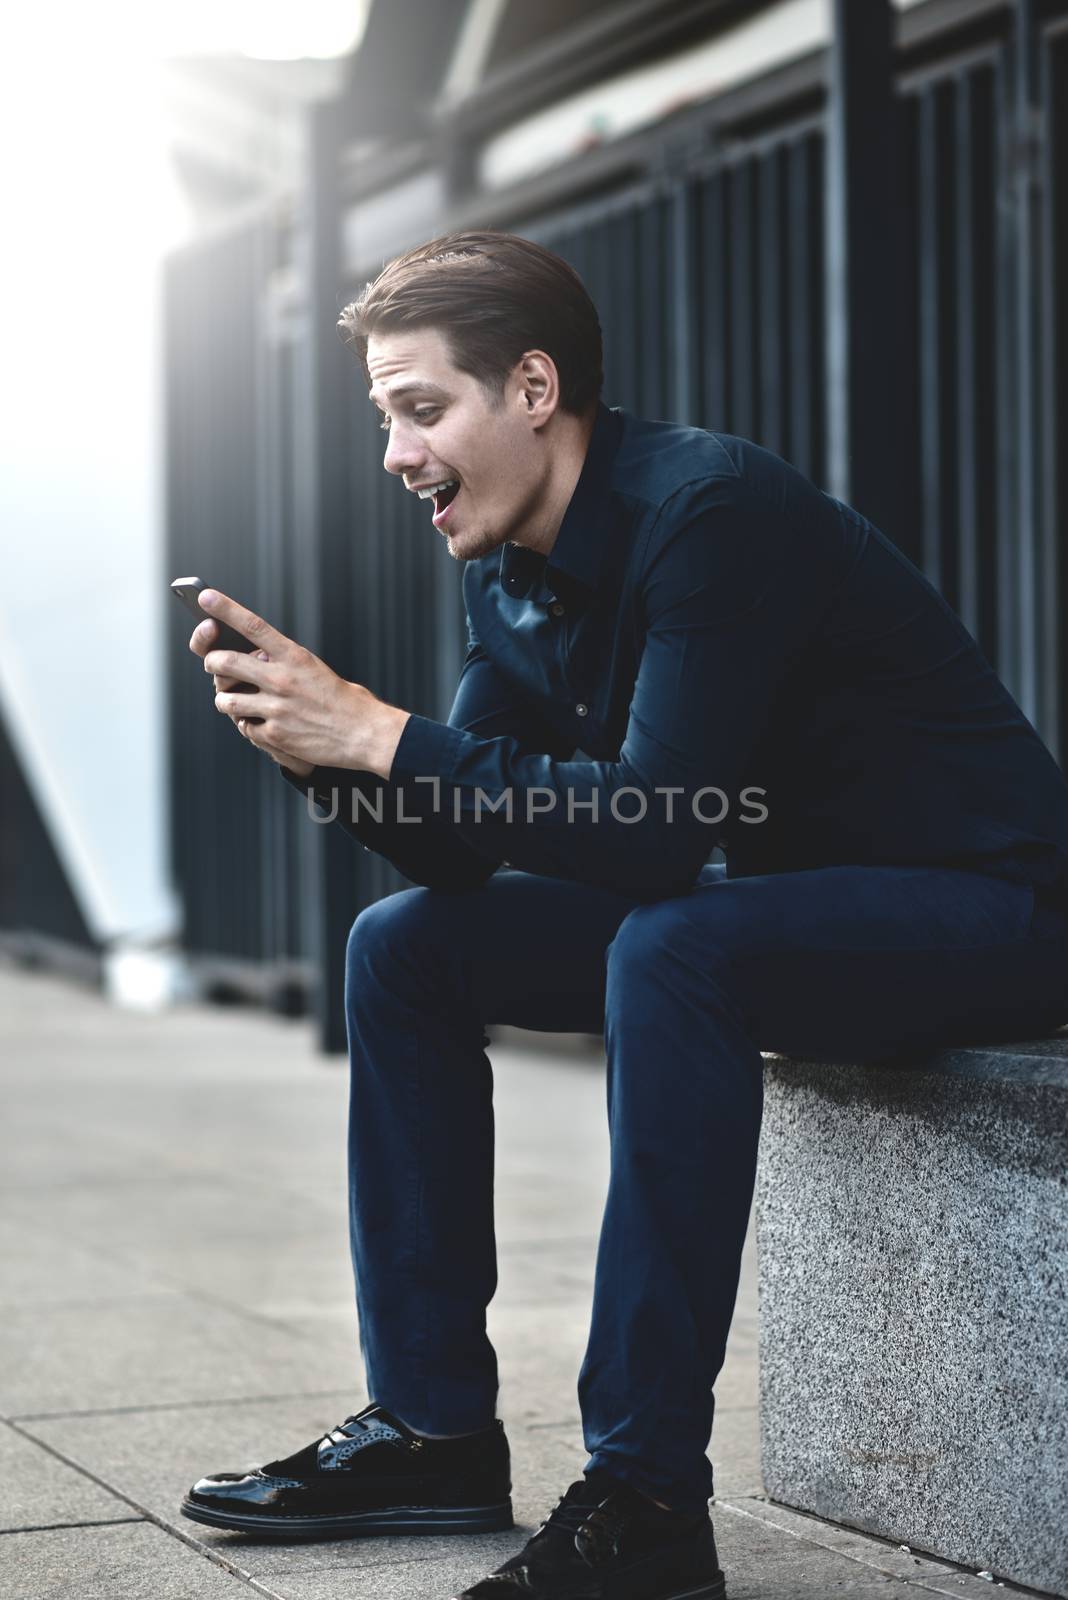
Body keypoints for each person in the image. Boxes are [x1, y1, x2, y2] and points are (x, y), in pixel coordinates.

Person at [179, 231, 1068, 1600]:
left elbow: (655, 831)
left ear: (532, 386)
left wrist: (386, 733)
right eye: (386, 418)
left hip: (990, 906)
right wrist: (323, 747)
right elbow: (464, 857)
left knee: (676, 946)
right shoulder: (505, 563)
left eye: (423, 410)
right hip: (784, 906)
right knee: (403, 948)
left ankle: (648, 1495)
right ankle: (432, 1432)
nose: (397, 456)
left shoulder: (714, 513)